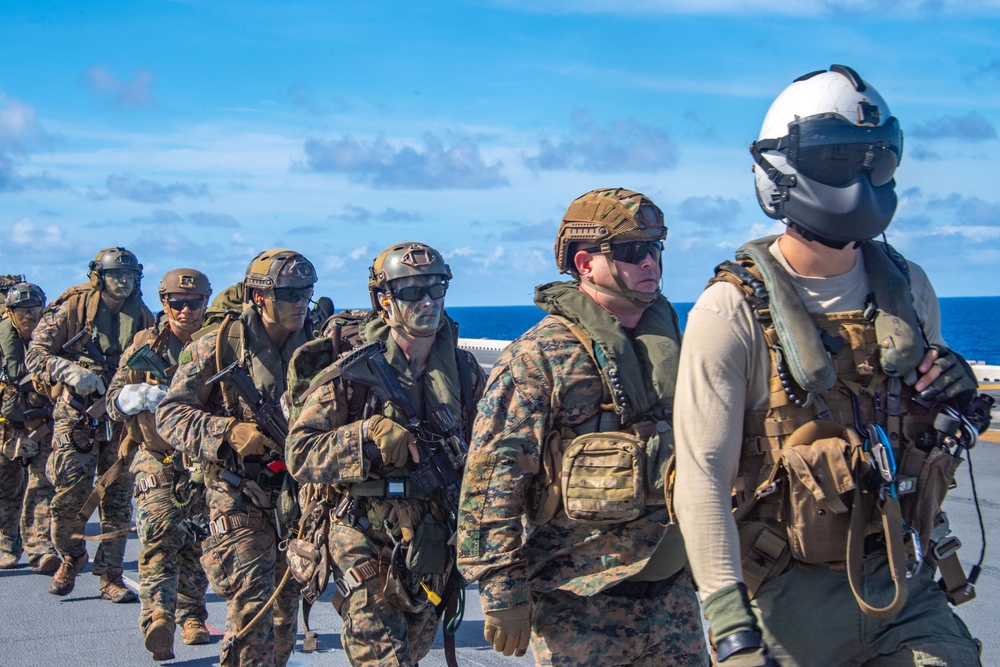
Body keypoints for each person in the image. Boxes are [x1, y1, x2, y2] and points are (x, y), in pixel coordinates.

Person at [673, 64, 985, 666]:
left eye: (878, 158)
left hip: (899, 580)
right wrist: (730, 623)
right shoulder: (731, 310)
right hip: (785, 598)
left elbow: (926, 424)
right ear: (784, 171)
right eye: (841, 157)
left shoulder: (908, 288)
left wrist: (955, 393)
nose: (863, 176)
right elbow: (702, 476)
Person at [457, 188, 709, 666]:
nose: (649, 262)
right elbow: (492, 480)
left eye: (655, 249)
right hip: (581, 605)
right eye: (632, 251)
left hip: (674, 598)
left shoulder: (679, 344)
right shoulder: (539, 357)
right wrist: (501, 590)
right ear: (585, 263)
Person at [285, 241, 485, 667]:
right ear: (384, 300)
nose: (428, 300)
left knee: (411, 651)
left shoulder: (465, 374)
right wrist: (365, 435)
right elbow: (300, 455)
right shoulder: (352, 375)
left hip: (430, 540)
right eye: (412, 291)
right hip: (361, 531)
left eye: (437, 288)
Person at [157, 249, 315, 667]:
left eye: (306, 292)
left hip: (299, 496)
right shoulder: (218, 345)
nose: (300, 302)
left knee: (285, 616)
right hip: (237, 492)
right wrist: (227, 431)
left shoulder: (318, 347)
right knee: (252, 607)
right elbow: (169, 415)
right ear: (258, 296)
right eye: (288, 293)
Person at [27, 247, 153, 601]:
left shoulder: (143, 318)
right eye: (116, 275)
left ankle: (110, 575)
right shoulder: (72, 310)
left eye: (129, 275)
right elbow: (35, 354)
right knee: (67, 497)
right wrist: (69, 370)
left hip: (122, 419)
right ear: (99, 277)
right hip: (78, 415)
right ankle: (72, 554)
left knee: (117, 499)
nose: (123, 281)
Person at [105, 268, 213, 661]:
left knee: (200, 540)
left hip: (205, 456)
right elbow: (113, 398)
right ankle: (158, 618)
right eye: (176, 304)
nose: (185, 311)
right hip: (157, 453)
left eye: (194, 303)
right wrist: (128, 397)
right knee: (159, 532)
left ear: (207, 302)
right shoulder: (143, 344)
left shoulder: (223, 343)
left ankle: (191, 615)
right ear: (163, 303)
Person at [0, 282, 60, 574]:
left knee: (42, 484)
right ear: (10, 312)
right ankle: (7, 545)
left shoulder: (54, 339)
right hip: (5, 424)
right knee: (6, 486)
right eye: (21, 310)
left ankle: (40, 549)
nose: (28, 315)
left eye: (33, 309)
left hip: (44, 421)